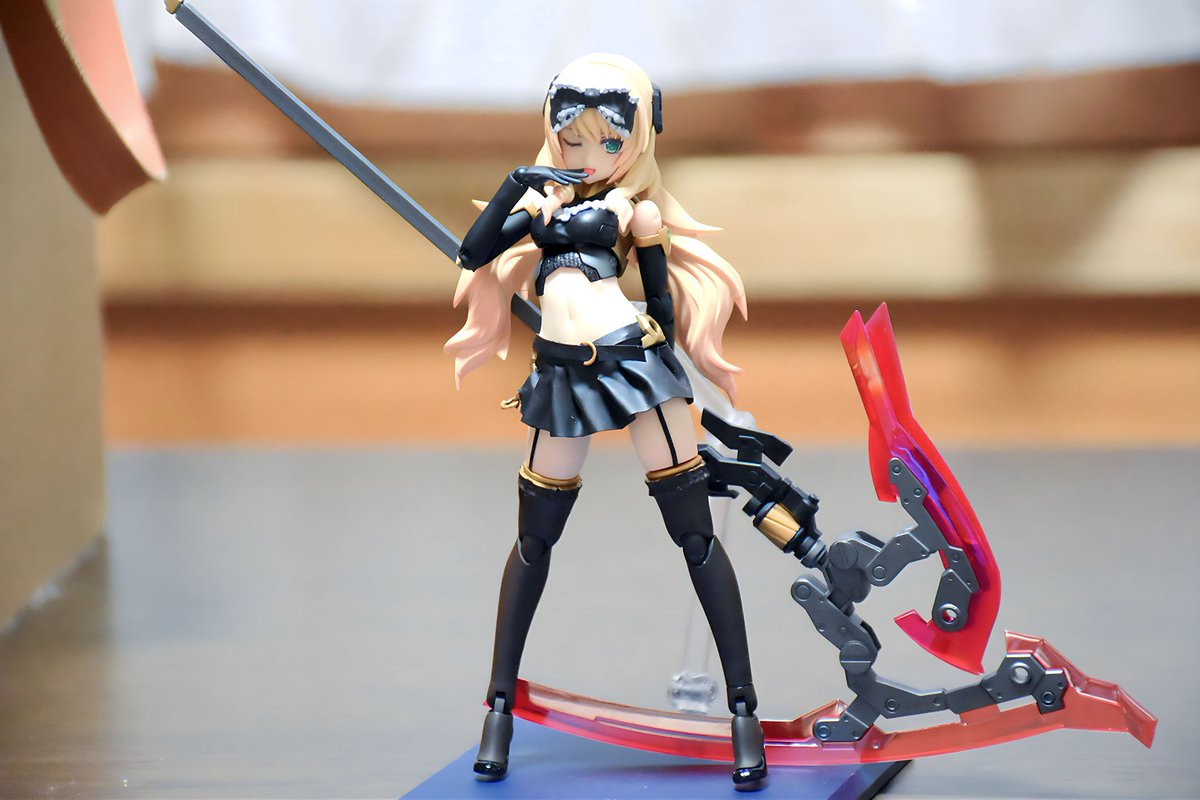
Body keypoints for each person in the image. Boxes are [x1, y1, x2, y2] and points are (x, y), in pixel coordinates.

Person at [446, 53, 766, 790]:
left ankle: (743, 711)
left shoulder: (635, 211)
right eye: (573, 138)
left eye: (610, 140)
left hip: (631, 364)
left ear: (639, 140)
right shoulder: (543, 202)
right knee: (534, 539)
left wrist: (666, 347)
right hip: (561, 376)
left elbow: (658, 299)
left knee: (693, 533)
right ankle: (498, 710)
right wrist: (518, 184)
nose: (589, 154)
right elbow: (473, 250)